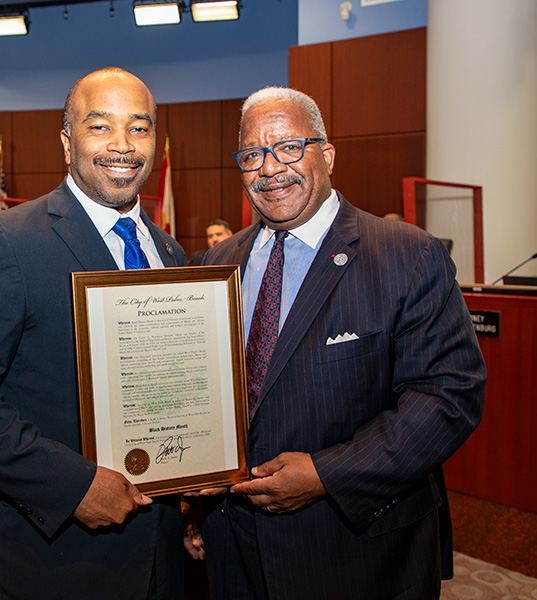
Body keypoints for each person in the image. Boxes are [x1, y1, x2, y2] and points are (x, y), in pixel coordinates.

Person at [194, 87, 486, 599]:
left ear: (326, 155)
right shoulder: (214, 265)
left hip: (357, 551)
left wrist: (328, 474)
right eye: (252, 155)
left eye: (288, 147)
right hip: (233, 545)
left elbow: (448, 397)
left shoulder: (408, 256)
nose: (270, 168)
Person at [0, 68, 187, 600]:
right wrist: (73, 485)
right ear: (67, 143)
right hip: (53, 562)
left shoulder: (169, 252)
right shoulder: (6, 241)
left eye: (139, 128)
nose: (122, 146)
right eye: (100, 127)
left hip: (158, 555)